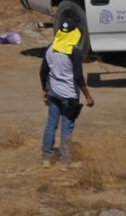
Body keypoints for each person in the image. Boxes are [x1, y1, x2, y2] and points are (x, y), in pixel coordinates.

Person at [39, 17, 95, 168]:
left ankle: (46, 158)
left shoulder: (50, 48)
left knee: (51, 124)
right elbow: (78, 77)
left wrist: (44, 90)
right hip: (69, 96)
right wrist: (88, 96)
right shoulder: (74, 52)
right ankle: (65, 161)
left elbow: (43, 71)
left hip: (53, 93)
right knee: (67, 125)